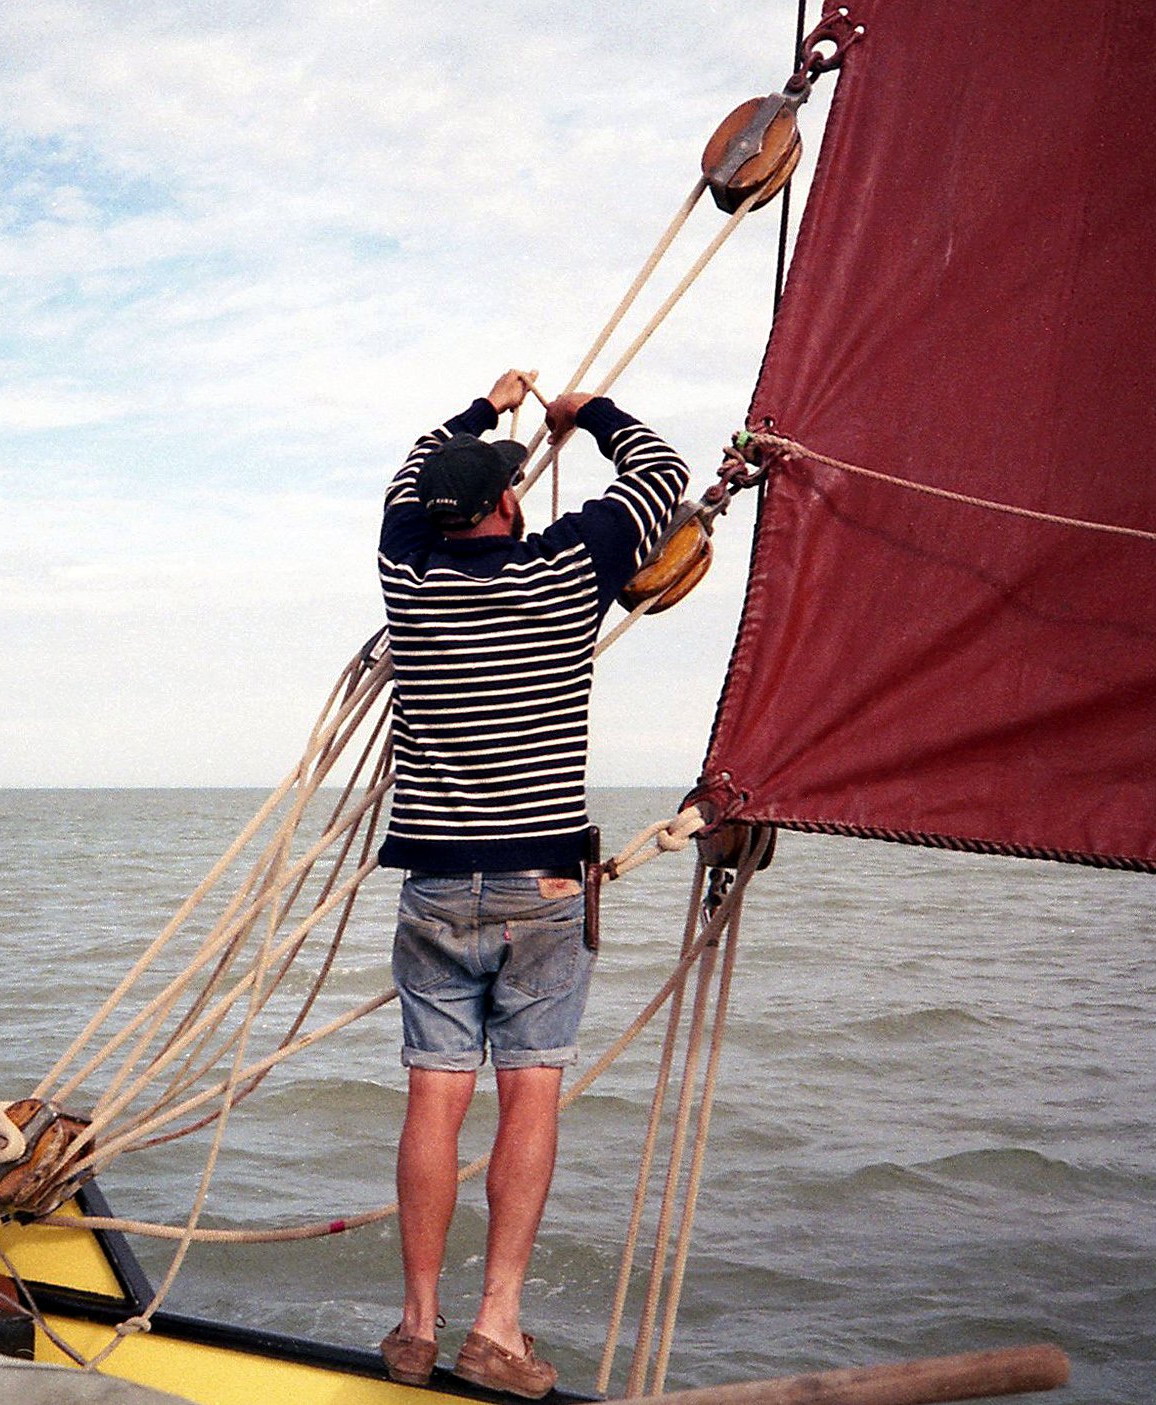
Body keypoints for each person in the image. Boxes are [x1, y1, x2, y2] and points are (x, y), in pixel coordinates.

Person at [375, 369, 689, 1398]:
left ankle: (416, 1324)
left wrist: (480, 409)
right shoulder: (568, 566)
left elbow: (405, 480)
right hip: (543, 888)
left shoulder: (406, 575)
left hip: (432, 887)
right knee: (529, 1095)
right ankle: (495, 1325)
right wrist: (580, 415)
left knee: (434, 1100)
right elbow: (662, 473)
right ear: (511, 503)